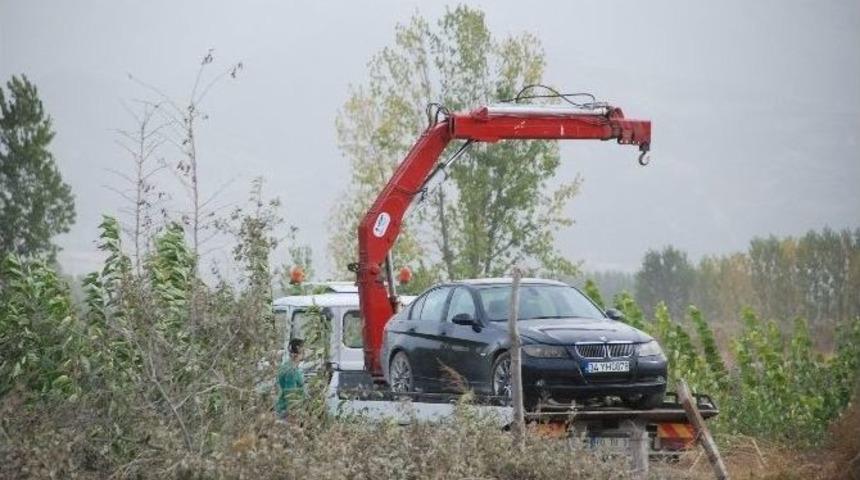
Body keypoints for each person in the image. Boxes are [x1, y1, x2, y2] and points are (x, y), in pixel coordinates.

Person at [275, 338, 305, 418]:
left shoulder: (287, 366)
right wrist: (293, 415)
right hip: (286, 413)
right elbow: (290, 395)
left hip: (284, 410)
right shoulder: (291, 371)